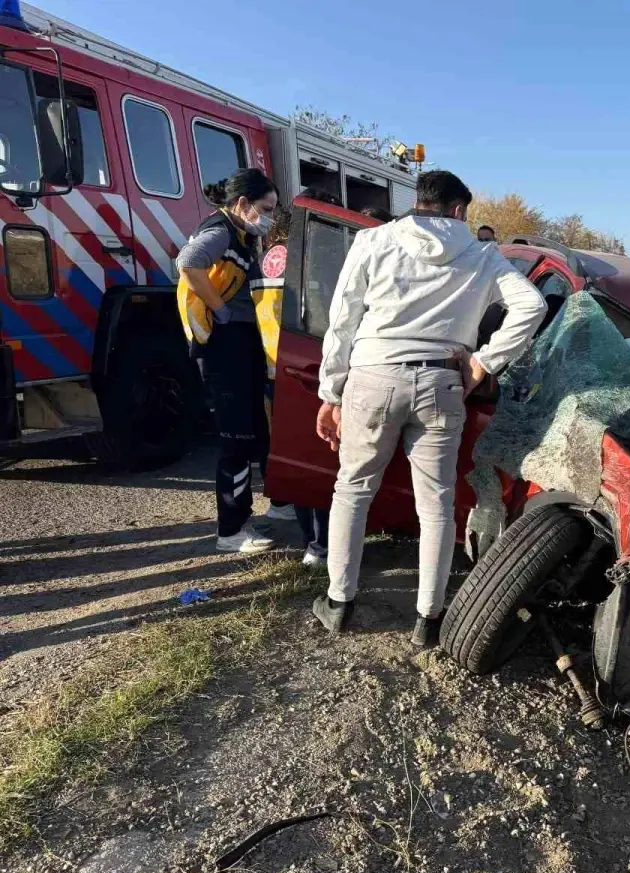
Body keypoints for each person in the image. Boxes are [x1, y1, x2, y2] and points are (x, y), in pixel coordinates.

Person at [313, 170, 547, 645]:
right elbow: (533, 307)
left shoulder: (373, 241)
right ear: (460, 211)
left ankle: (339, 603)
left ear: (419, 201)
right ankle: (429, 618)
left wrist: (330, 393)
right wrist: (482, 363)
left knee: (353, 490)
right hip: (441, 382)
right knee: (436, 503)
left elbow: (342, 322)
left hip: (373, 376)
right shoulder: (483, 256)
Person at [177, 168, 280, 553]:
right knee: (236, 438)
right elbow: (188, 262)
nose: (268, 216)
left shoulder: (239, 233)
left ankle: (276, 505)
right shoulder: (220, 231)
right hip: (224, 345)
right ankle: (231, 530)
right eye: (264, 209)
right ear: (241, 204)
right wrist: (219, 309)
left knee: (254, 428)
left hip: (240, 342)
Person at [258, 205, 331, 568]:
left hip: (276, 367)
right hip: (306, 363)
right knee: (316, 461)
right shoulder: (306, 259)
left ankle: (308, 537)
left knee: (293, 453)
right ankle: (320, 546)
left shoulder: (268, 256)